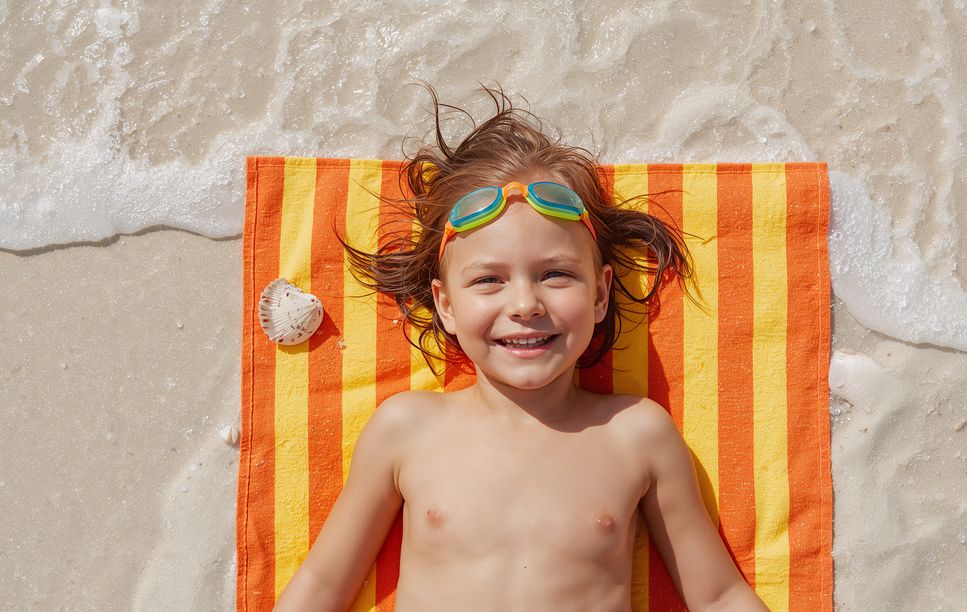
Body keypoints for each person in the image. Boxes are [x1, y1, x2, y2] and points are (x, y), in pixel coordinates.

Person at [274, 86, 767, 612]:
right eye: (489, 280)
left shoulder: (637, 434)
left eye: (555, 274)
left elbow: (716, 595)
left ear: (600, 293)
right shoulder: (407, 429)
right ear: (445, 306)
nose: (526, 304)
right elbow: (324, 585)